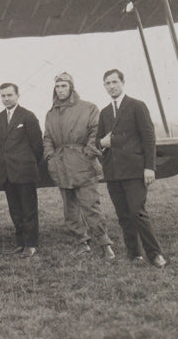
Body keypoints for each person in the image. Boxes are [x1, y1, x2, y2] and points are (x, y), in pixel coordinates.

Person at [96, 69, 166, 268]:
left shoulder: (136, 106)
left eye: (115, 82)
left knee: (137, 212)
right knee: (123, 215)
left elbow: (149, 137)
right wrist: (101, 142)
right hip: (113, 172)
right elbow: (98, 140)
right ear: (104, 86)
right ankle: (134, 253)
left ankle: (155, 254)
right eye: (108, 83)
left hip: (135, 170)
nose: (112, 86)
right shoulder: (105, 112)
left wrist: (149, 167)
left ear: (123, 82)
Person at [43, 72, 115, 260]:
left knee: (91, 206)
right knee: (70, 209)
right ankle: (82, 242)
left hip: (83, 163)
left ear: (71, 88)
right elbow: (47, 137)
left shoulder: (88, 108)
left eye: (64, 86)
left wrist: (88, 152)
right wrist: (50, 156)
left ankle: (105, 243)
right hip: (60, 165)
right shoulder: (51, 113)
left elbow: (96, 131)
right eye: (57, 86)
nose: (60, 90)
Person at [0, 82, 43, 258]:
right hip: (7, 172)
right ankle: (20, 242)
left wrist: (26, 162)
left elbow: (37, 146)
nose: (6, 99)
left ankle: (31, 244)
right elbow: (2, 144)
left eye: (10, 95)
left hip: (24, 170)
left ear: (17, 95)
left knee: (28, 209)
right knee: (15, 210)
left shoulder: (27, 116)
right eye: (3, 96)